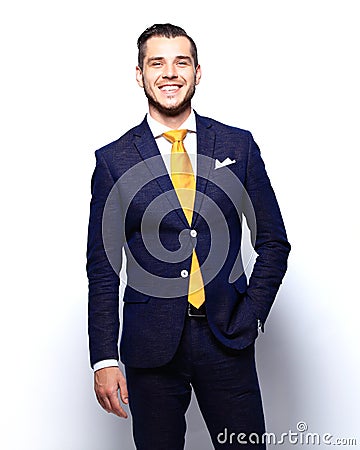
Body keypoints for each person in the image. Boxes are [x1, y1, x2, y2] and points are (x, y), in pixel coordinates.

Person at [87, 23, 291, 449]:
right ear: (139, 74)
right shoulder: (113, 160)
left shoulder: (239, 145)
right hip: (150, 346)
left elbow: (273, 241)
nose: (169, 73)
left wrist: (250, 313)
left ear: (198, 72)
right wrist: (104, 357)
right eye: (156, 62)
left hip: (226, 338)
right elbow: (103, 269)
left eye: (181, 62)